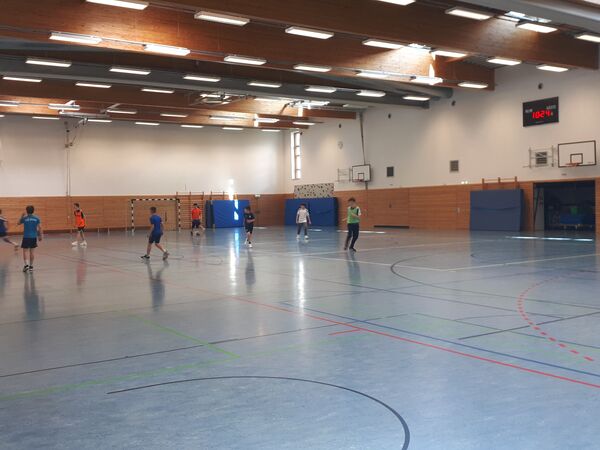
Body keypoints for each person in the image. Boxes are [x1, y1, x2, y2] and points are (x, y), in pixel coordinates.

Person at [19, 205, 43, 272]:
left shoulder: (25, 218)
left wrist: (22, 216)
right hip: (33, 237)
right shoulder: (36, 218)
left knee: (25, 251)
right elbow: (40, 227)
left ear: (26, 211)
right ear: (33, 211)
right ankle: (31, 267)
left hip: (26, 237)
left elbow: (18, 223)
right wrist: (40, 236)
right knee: (32, 252)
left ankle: (26, 265)